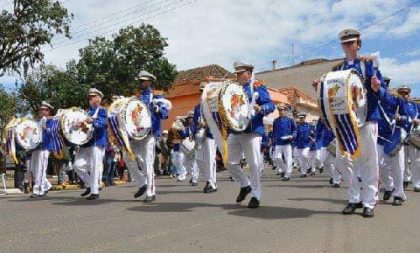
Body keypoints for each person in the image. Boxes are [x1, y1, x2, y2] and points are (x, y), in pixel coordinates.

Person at [314, 28, 387, 218]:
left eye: (351, 42)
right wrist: (320, 87)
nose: (347, 46)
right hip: (345, 122)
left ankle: (369, 202)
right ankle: (354, 197)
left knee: (369, 162)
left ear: (358, 45)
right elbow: (331, 94)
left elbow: (384, 93)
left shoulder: (369, 65)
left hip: (368, 117)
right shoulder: (337, 70)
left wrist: (377, 88)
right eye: (344, 43)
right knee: (342, 160)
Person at [227, 61, 275, 208]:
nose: (238, 76)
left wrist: (260, 108)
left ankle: (255, 195)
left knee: (254, 164)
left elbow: (270, 105)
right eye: (237, 73)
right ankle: (245, 185)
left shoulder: (257, 86)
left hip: (253, 130)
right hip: (236, 130)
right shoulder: (233, 89)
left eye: (240, 73)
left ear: (249, 73)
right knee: (229, 162)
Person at [127, 70, 170, 202]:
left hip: (150, 133)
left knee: (147, 161)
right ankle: (142, 183)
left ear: (149, 82)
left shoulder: (156, 97)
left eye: (143, 81)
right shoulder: (136, 99)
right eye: (140, 81)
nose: (140, 83)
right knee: (128, 158)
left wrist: (158, 109)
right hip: (136, 134)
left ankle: (151, 192)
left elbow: (165, 111)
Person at [74, 88, 108, 200]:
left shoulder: (102, 110)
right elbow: (84, 127)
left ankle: (94, 191)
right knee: (77, 165)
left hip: (97, 141)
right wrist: (79, 125)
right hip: (86, 142)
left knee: (94, 166)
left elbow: (103, 123)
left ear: (99, 98)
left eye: (93, 96)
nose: (90, 98)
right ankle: (91, 185)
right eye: (89, 97)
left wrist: (93, 121)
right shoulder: (86, 111)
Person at [194, 84, 217, 193]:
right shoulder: (197, 107)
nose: (202, 93)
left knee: (210, 158)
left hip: (211, 133)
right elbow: (194, 122)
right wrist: (196, 128)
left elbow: (218, 119)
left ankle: (212, 183)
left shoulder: (213, 105)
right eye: (201, 91)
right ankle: (208, 178)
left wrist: (208, 124)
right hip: (200, 135)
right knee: (198, 158)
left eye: (204, 91)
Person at [29, 101, 56, 198]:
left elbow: (53, 133)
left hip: (45, 147)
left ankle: (38, 190)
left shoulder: (52, 121)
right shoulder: (38, 121)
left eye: (44, 110)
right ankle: (47, 185)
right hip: (36, 148)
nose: (42, 111)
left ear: (49, 111)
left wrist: (46, 128)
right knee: (33, 169)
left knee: (40, 169)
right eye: (40, 109)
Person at [272, 103, 295, 181]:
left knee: (288, 159)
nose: (281, 111)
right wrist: (273, 142)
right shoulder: (275, 121)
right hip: (278, 142)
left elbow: (294, 130)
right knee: (277, 158)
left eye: (282, 110)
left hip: (287, 142)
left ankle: (287, 175)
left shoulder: (290, 120)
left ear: (285, 111)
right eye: (279, 110)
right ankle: (284, 170)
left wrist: (292, 136)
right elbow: (274, 132)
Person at [293, 113, 314, 178]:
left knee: (304, 155)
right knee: (301, 159)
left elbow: (314, 133)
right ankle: (303, 172)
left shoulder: (309, 125)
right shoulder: (297, 126)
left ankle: (308, 167)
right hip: (299, 144)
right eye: (300, 118)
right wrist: (293, 136)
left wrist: (313, 137)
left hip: (307, 143)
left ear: (305, 118)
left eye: (302, 118)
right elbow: (295, 133)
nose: (301, 119)